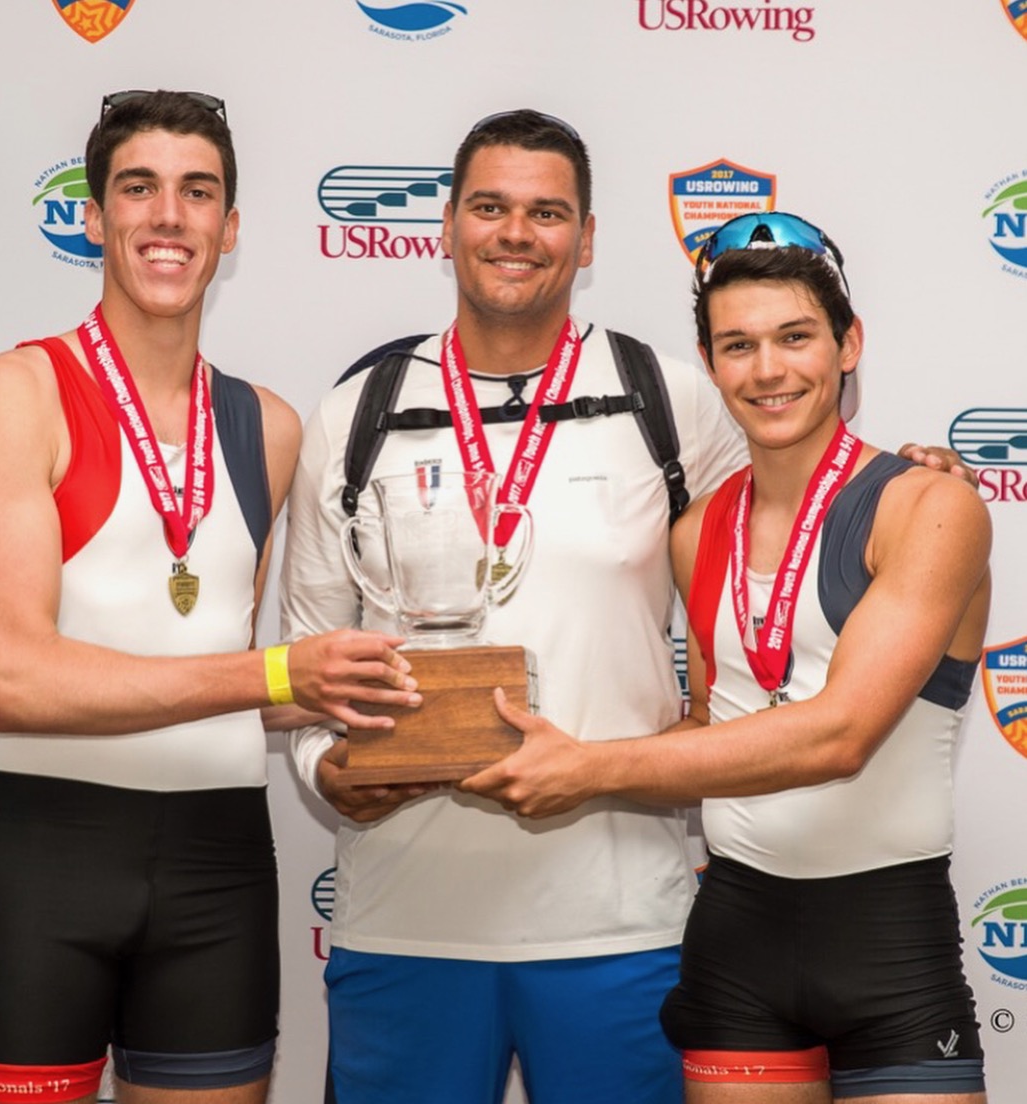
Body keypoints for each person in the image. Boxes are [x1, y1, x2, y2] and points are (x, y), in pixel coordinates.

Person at [281, 111, 974, 1104]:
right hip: (404, 919)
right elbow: (308, 652)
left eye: (548, 211)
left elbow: (802, 483)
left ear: (589, 238)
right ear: (445, 224)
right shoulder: (356, 409)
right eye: (490, 206)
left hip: (623, 924)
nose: (517, 232)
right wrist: (327, 770)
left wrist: (918, 475)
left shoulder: (671, 396)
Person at [0, 89, 419, 1104]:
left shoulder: (270, 426)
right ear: (93, 215)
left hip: (220, 863)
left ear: (230, 227)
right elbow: (13, 677)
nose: (169, 216)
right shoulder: (13, 393)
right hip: (43, 858)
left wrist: (388, 691)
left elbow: (231, 681)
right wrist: (280, 671)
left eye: (198, 192)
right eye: (139, 188)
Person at [463, 212, 991, 1103]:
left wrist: (587, 769)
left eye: (794, 337)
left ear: (848, 342)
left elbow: (839, 736)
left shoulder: (927, 508)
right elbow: (712, 726)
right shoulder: (697, 530)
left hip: (888, 942)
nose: (768, 370)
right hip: (737, 938)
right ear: (709, 363)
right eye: (737, 345)